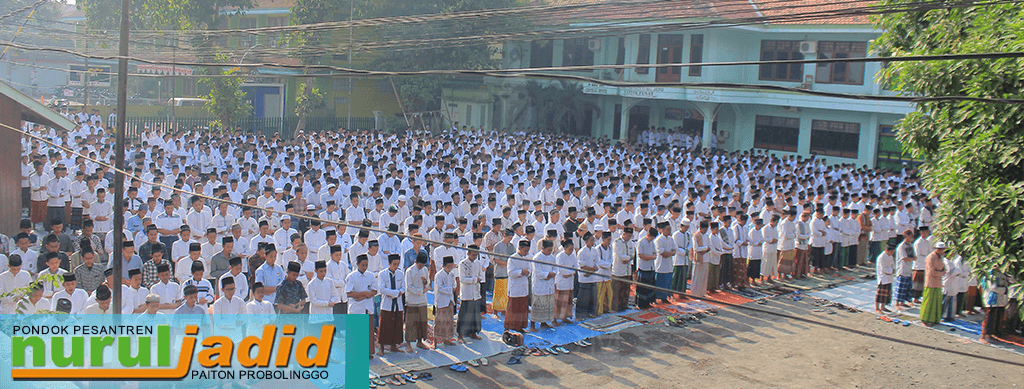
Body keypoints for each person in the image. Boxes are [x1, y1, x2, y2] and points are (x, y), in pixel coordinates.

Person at [347, 254, 377, 357]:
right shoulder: (351, 277)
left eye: (366, 265)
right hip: (356, 307)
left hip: (367, 306)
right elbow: (348, 293)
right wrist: (364, 293)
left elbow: (375, 290)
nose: (364, 267)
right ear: (357, 264)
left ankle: (368, 351)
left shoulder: (370, 275)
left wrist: (364, 296)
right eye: (362, 265)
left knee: (368, 332)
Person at [377, 254, 407, 355]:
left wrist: (399, 293)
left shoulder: (401, 274)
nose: (396, 266)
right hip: (387, 304)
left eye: (397, 264)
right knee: (385, 326)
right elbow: (381, 289)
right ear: (389, 263)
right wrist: (395, 293)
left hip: (398, 303)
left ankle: (394, 346)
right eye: (394, 264)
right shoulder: (382, 274)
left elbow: (403, 287)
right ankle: (381, 348)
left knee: (397, 325)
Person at [405, 252, 431, 349]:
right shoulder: (410, 271)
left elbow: (428, 282)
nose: (421, 267)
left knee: (422, 322)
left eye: (423, 265)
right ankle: (408, 343)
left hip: (422, 300)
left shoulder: (424, 270)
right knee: (411, 323)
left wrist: (425, 282)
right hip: (412, 300)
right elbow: (409, 287)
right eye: (420, 265)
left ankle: (420, 341)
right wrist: (421, 290)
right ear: (416, 261)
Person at [978, 269, 1012, 344]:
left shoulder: (1003, 273)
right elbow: (993, 288)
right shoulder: (991, 274)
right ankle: (983, 336)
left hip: (1000, 299)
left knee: (996, 317)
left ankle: (990, 334)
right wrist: (1005, 289)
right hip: (992, 299)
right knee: (989, 316)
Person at [531, 239, 557, 330]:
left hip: (549, 284)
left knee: (547, 305)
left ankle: (544, 322)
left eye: (551, 250)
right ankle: (532, 325)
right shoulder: (537, 258)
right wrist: (548, 275)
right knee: (537, 305)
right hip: (540, 285)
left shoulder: (552, 257)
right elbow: (537, 272)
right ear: (543, 248)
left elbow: (555, 268)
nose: (550, 252)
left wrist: (552, 273)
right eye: (548, 250)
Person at [506, 240, 531, 332]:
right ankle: (510, 327)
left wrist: (527, 272)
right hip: (515, 286)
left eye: (527, 250)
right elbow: (510, 273)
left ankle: (520, 327)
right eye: (525, 250)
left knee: (523, 308)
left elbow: (529, 269)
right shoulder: (512, 258)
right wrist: (521, 272)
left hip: (523, 285)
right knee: (513, 308)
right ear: (519, 248)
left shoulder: (527, 257)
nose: (526, 252)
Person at [919, 241, 947, 326]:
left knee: (937, 302)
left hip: (938, 283)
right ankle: (924, 319)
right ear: (938, 249)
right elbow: (932, 272)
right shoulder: (930, 257)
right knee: (928, 301)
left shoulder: (940, 258)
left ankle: (935, 319)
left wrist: (940, 272)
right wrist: (941, 273)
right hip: (930, 283)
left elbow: (944, 270)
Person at [433, 255, 457, 346]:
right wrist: (451, 289)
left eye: (451, 266)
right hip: (441, 301)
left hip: (449, 300)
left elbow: (454, 284)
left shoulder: (452, 274)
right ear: (443, 266)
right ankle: (435, 341)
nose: (450, 268)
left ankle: (447, 339)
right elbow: (440, 288)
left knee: (449, 320)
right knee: (439, 321)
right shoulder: (439, 275)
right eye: (448, 266)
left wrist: (453, 288)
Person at [612, 227, 635, 310]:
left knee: (626, 289)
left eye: (630, 236)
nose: (629, 238)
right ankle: (616, 307)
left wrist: (628, 258)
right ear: (624, 234)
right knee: (617, 290)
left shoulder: (630, 243)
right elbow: (621, 256)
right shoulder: (617, 242)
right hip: (619, 270)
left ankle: (624, 305)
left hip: (627, 269)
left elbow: (633, 254)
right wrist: (629, 258)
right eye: (628, 236)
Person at [893, 230, 916, 308]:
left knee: (907, 287)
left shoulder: (911, 245)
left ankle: (903, 302)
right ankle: (897, 303)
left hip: (909, 268)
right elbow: (904, 258)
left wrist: (912, 258)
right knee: (900, 287)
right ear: (907, 236)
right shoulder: (901, 246)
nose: (913, 238)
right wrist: (912, 258)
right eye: (911, 236)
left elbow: (914, 256)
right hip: (902, 268)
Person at [874, 241, 897, 314]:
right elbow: (883, 269)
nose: (892, 253)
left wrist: (893, 269)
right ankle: (877, 308)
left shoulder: (890, 256)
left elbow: (893, 265)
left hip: (889, 277)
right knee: (880, 294)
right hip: (883, 277)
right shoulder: (881, 257)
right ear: (888, 250)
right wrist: (891, 270)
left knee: (886, 294)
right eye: (892, 252)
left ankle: (883, 307)